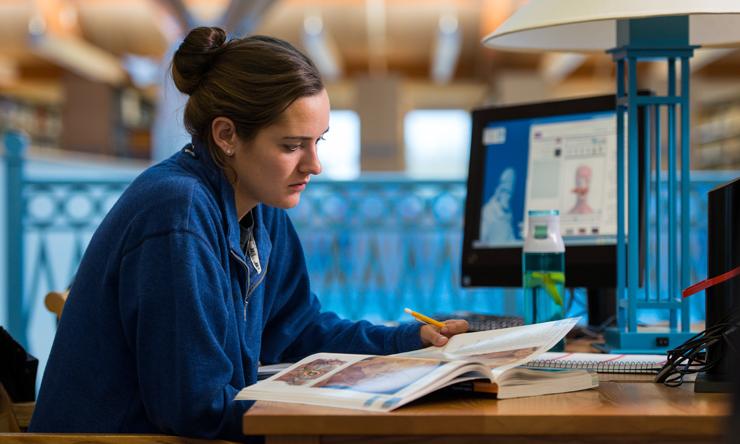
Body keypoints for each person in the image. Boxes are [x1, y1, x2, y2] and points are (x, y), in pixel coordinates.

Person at [29, 27, 468, 442]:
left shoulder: (257, 203)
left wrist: (407, 342)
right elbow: (195, 409)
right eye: (292, 146)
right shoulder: (177, 213)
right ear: (226, 136)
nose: (314, 165)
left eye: (320, 141)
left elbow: (297, 333)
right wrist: (338, 407)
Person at [480, 167, 517, 244]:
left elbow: (511, 240)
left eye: (511, 183)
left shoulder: (509, 212)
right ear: (497, 187)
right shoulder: (487, 212)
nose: (508, 187)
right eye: (505, 182)